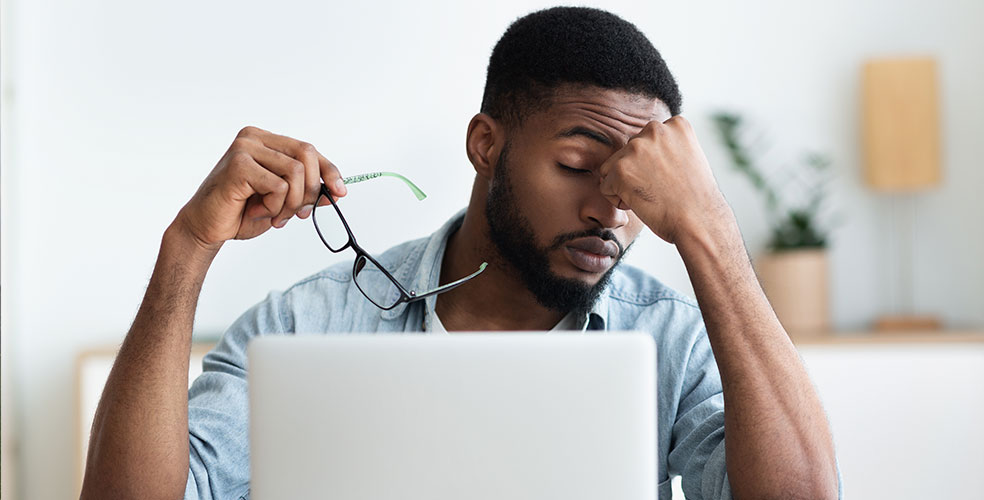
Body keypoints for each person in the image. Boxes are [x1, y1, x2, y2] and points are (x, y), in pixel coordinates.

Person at [80, 7, 839, 500]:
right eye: (577, 165)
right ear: (485, 145)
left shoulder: (670, 335)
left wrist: (709, 228)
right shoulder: (304, 325)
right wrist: (187, 248)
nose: (610, 209)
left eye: (640, 186)